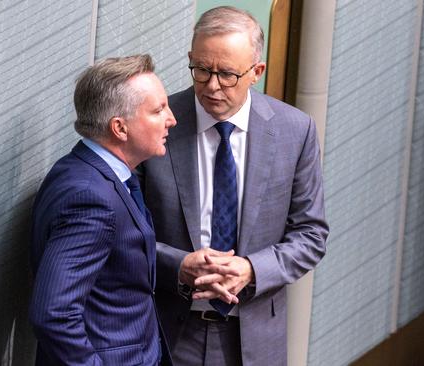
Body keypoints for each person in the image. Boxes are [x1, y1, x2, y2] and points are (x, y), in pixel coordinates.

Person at [139, 6, 329, 366]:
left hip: (255, 337)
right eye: (201, 70)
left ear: (256, 72)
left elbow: (311, 234)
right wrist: (180, 265)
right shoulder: (155, 125)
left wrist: (252, 270)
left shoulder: (295, 130)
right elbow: (127, 234)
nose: (211, 86)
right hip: (167, 329)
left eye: (227, 74)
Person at [29, 54, 176, 366]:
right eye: (158, 110)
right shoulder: (91, 198)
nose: (171, 119)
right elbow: (53, 314)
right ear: (120, 128)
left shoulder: (95, 174)